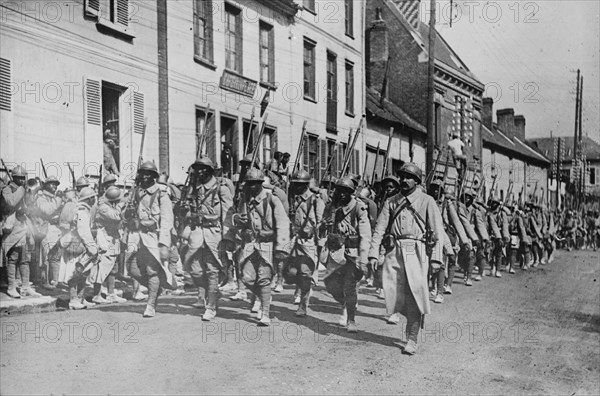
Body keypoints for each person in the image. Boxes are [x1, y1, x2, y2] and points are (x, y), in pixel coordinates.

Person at [368, 163, 445, 355]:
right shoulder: (391, 201)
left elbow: (437, 231)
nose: (404, 180)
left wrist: (436, 258)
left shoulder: (427, 201)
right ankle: (408, 320)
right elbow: (379, 228)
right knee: (393, 293)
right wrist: (372, 252)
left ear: (417, 181)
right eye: (402, 176)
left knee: (415, 294)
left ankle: (412, 338)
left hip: (417, 251)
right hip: (394, 250)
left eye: (409, 177)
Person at [225, 169, 290, 326]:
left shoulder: (271, 200)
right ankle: (263, 296)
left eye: (255, 184)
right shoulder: (244, 201)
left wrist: (282, 247)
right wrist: (237, 220)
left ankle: (265, 313)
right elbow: (234, 216)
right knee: (246, 276)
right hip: (249, 244)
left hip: (266, 244)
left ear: (261, 184)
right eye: (249, 184)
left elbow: (283, 223)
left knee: (263, 278)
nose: (252, 187)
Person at [180, 156, 233, 321]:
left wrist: (228, 237)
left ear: (211, 171)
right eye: (198, 169)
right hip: (196, 232)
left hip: (214, 233)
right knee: (193, 268)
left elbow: (227, 214)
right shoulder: (193, 188)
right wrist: (185, 209)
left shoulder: (221, 189)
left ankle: (210, 306)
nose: (200, 172)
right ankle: (212, 294)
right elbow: (185, 212)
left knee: (212, 270)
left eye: (204, 169)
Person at [124, 161, 177, 317]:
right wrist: (129, 210)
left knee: (151, 271)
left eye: (149, 174)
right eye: (143, 173)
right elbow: (125, 214)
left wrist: (163, 243)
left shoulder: (161, 194)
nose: (145, 176)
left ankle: (151, 304)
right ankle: (156, 288)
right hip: (136, 237)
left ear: (154, 176)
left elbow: (167, 220)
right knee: (132, 269)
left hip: (152, 236)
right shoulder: (135, 192)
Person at [319, 176, 371, 333]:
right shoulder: (331, 206)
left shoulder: (358, 207)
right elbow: (322, 226)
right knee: (330, 284)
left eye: (346, 192)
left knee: (349, 286)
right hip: (334, 251)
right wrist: (324, 225)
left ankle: (351, 319)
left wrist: (364, 256)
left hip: (351, 252)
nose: (342, 194)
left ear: (351, 192)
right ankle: (346, 303)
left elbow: (365, 233)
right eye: (339, 191)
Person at [285, 170, 324, 317]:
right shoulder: (295, 200)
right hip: (294, 240)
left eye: (300, 185)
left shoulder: (315, 200)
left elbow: (322, 222)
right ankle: (299, 291)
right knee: (289, 272)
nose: (296, 187)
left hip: (309, 242)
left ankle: (303, 304)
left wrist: (313, 231)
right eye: (295, 184)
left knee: (305, 274)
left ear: (306, 185)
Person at [1, 166, 41, 298]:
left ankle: (25, 286)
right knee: (13, 258)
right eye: (19, 178)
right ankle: (11, 287)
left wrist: (32, 193)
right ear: (13, 177)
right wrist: (22, 189)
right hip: (12, 227)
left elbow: (30, 207)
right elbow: (11, 203)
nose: (21, 180)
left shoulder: (24, 189)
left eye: (23, 178)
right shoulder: (7, 189)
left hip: (23, 226)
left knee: (25, 259)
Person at [89, 186, 126, 304]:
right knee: (101, 267)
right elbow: (116, 216)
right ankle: (97, 294)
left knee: (112, 268)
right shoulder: (103, 207)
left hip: (113, 238)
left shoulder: (110, 206)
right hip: (104, 238)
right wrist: (121, 206)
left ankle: (111, 293)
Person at [35, 176, 63, 289]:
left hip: (56, 229)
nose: (55, 186)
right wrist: (59, 200)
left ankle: (55, 280)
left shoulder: (54, 198)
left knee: (56, 255)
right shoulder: (40, 197)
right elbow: (48, 210)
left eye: (56, 184)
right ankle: (44, 281)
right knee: (44, 257)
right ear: (45, 185)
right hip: (45, 228)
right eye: (52, 184)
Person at [457, 189, 479, 286]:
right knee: (462, 256)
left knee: (470, 255)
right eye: (465, 197)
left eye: (468, 197)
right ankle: (465, 272)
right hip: (459, 234)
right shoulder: (458, 207)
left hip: (470, 235)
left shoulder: (473, 210)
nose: (466, 199)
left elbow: (477, 224)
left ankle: (469, 276)